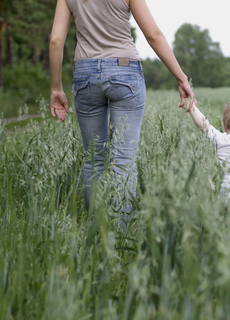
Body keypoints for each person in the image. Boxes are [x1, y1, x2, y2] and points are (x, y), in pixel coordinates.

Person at [49, 0, 196, 222]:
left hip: (85, 73)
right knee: (124, 159)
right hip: (124, 71)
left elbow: (56, 40)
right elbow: (153, 34)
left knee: (93, 159)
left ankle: (96, 231)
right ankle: (121, 235)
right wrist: (181, 77)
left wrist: (55, 87)